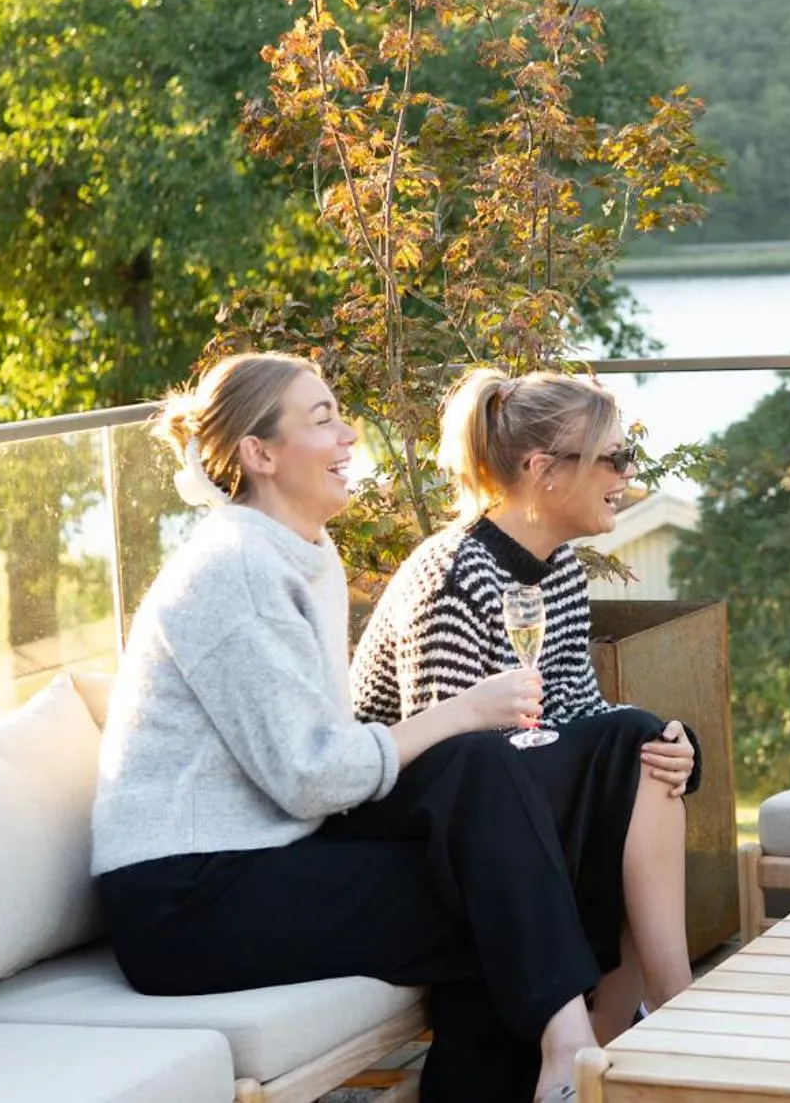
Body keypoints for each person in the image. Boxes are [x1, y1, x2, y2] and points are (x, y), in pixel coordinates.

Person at [92, 352, 603, 1103]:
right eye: (322, 419)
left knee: (480, 770)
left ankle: (568, 1049)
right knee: (486, 904)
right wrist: (463, 709)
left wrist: (462, 732)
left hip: (266, 851)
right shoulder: (233, 567)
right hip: (184, 897)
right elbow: (310, 775)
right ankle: (570, 1049)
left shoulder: (303, 553)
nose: (349, 435)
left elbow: (313, 768)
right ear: (260, 454)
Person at [353, 367, 698, 1038]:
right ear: (544, 470)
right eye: (613, 457)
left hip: (504, 795)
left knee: (646, 745)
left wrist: (676, 744)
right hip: (408, 824)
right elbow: (449, 767)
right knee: (630, 746)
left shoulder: (559, 570)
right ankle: (662, 1017)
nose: (627, 473)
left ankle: (644, 1017)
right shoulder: (454, 574)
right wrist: (623, 743)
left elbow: (580, 709)